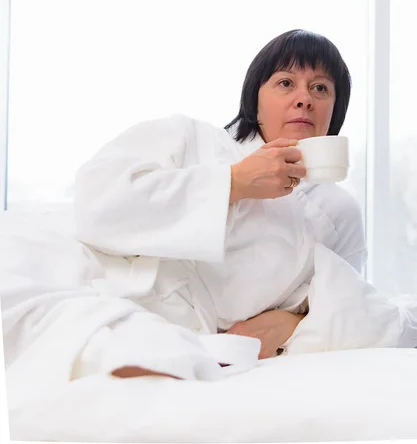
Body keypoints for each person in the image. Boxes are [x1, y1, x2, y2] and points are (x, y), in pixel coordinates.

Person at [71, 28, 366, 380]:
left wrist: (294, 323)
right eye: (286, 83)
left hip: (234, 363)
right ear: (254, 100)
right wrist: (234, 182)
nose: (304, 99)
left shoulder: (340, 212)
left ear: (336, 110)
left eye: (320, 88)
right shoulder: (190, 140)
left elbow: (351, 305)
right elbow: (97, 203)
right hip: (130, 322)